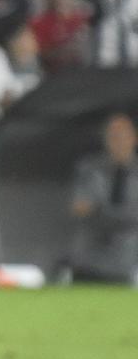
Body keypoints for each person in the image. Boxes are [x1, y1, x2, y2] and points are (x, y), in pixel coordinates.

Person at [68, 114, 138, 284]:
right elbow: (80, 208)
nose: (118, 141)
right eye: (114, 136)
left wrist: (99, 211)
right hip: (88, 260)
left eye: (123, 136)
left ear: (133, 138)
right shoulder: (90, 169)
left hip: (125, 262)